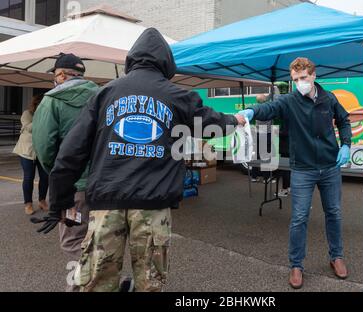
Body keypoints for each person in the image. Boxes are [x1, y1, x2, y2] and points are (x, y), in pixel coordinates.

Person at [33, 28, 245, 292]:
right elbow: (211, 124)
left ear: (131, 59)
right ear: (167, 62)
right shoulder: (176, 95)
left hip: (106, 202)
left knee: (96, 282)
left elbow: (70, 153)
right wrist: (234, 120)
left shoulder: (104, 94)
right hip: (152, 205)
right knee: (150, 284)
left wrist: (60, 203)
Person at [239, 57, 351, 289]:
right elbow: (269, 107)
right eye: (295, 79)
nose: (300, 82)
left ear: (313, 76)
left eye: (303, 78)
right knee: (299, 217)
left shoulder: (329, 98)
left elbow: (344, 120)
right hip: (303, 169)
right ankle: (296, 265)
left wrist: (346, 144)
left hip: (330, 167)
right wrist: (251, 111)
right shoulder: (289, 100)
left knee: (334, 212)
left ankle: (336, 256)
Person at [31, 53, 99, 290]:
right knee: (99, 237)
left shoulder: (52, 100)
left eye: (55, 75)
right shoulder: (103, 96)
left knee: (73, 240)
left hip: (73, 191)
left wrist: (59, 174)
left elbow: (44, 147)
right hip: (104, 185)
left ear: (60, 75)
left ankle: (89, 285)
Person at [13, 94, 49, 215]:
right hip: (27, 152)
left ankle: (42, 200)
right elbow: (28, 128)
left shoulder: (48, 115)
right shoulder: (27, 114)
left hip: (42, 151)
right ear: (36, 104)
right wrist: (41, 117)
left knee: (45, 177)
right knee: (29, 177)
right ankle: (28, 203)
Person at [251, 94, 273, 182]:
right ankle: (266, 178)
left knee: (256, 155)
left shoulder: (255, 108)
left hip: (257, 133)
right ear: (264, 100)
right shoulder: (267, 109)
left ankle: (254, 176)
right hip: (266, 133)